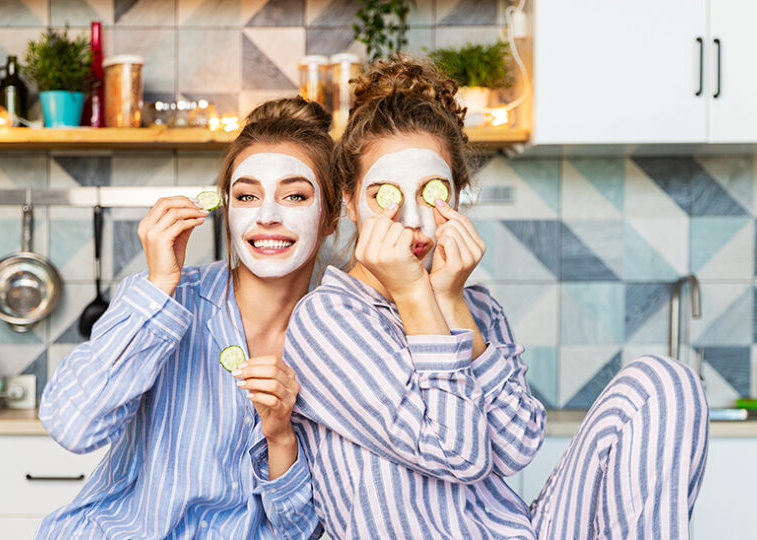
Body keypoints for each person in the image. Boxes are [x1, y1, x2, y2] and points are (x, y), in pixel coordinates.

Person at [282, 56, 709, 539]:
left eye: (433, 192)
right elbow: (456, 453)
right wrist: (415, 293)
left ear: (458, 197)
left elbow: (516, 447)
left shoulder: (475, 304)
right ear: (350, 201)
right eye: (386, 195)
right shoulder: (328, 319)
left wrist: (452, 302)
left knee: (664, 382)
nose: (413, 221)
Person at [37, 96, 337, 539]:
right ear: (226, 211)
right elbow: (72, 426)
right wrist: (160, 285)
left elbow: (300, 531)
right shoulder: (170, 297)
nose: (268, 216)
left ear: (330, 215)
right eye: (246, 196)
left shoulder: (343, 336)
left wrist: (280, 437)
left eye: (294, 195)